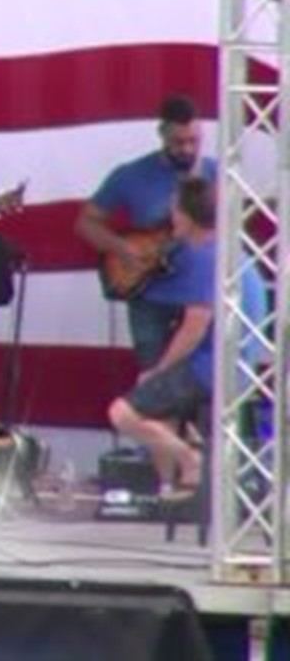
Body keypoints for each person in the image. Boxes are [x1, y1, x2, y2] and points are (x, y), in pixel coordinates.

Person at [106, 177, 265, 497]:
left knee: (122, 413)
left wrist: (159, 371)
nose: (172, 218)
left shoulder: (206, 257)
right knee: (158, 408)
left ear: (189, 217)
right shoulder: (230, 251)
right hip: (239, 366)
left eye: (176, 212)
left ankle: (190, 461)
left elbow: (195, 327)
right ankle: (177, 484)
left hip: (215, 368)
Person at [76, 95, 217, 369]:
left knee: (202, 376)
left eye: (194, 141)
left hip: (199, 292)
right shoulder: (130, 175)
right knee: (152, 376)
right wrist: (120, 247)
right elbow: (86, 222)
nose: (187, 149)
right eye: (179, 142)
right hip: (150, 294)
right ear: (161, 134)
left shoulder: (218, 174)